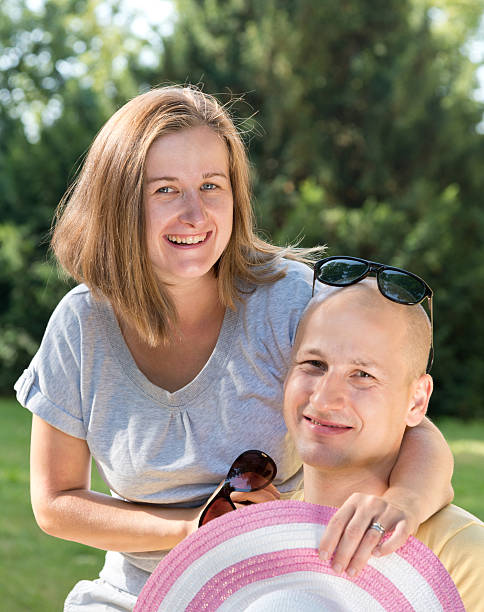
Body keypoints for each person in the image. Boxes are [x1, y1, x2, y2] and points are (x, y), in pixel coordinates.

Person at [14, 86, 453, 611]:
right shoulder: (81, 325)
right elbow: (56, 503)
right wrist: (198, 531)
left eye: (211, 185)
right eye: (165, 190)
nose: (196, 214)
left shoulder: (291, 303)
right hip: (135, 594)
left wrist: (402, 501)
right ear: (118, 203)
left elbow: (414, 428)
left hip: (283, 588)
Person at [283, 276, 483, 610]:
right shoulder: (258, 537)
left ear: (417, 401)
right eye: (314, 364)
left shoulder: (463, 556)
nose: (323, 398)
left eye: (363, 375)